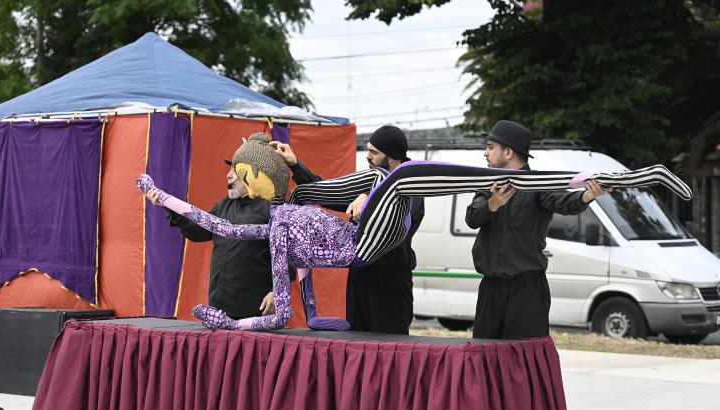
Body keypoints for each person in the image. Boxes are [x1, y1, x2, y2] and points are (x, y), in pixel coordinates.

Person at [136, 131, 689, 332]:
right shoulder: (277, 211)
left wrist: (595, 189)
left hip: (384, 254)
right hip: (351, 260)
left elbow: (568, 197)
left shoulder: (394, 187)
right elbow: (303, 216)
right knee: (338, 194)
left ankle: (651, 173)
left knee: (391, 187)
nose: (370, 157)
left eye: (378, 153)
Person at [271, 125, 425, 335]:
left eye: (374, 152)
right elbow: (327, 191)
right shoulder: (367, 181)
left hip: (390, 283)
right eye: (367, 150)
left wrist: (368, 199)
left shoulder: (412, 186)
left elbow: (393, 209)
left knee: (389, 350)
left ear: (392, 158)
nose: (367, 157)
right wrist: (296, 165)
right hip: (360, 276)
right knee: (357, 345)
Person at [466, 120, 610, 339]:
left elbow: (564, 201)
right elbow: (472, 218)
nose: (485, 153)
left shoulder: (538, 184)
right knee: (484, 358)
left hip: (526, 291)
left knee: (522, 361)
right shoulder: (489, 184)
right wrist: (493, 203)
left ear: (508, 152)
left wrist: (588, 195)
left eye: (490, 147)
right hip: (490, 289)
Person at [146, 158, 279, 319]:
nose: (228, 175)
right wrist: (169, 206)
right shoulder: (223, 205)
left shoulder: (271, 209)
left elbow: (288, 258)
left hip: (257, 311)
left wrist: (277, 291)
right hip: (220, 308)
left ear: (250, 175)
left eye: (234, 171)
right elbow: (198, 231)